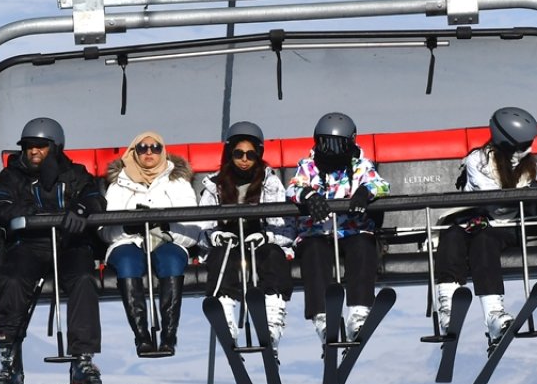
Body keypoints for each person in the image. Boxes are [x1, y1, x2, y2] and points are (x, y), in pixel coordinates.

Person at [0, 117, 106, 384]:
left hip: (70, 245)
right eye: (29, 147)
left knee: (82, 279)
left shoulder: (76, 174)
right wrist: (30, 215)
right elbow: (2, 204)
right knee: (15, 280)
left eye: (40, 146)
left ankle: (82, 360)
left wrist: (79, 211)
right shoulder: (13, 176)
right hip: (29, 245)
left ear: (55, 147)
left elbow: (94, 198)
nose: (33, 152)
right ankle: (9, 363)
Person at [433, 106, 537, 345]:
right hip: (472, 220)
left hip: (504, 227)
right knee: (450, 237)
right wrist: (525, 194)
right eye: (524, 145)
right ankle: (447, 310)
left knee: (485, 240)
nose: (529, 150)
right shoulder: (478, 162)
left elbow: (505, 213)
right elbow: (496, 204)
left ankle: (494, 315)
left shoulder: (529, 167)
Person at [285, 112, 390, 345]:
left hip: (352, 230)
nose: (331, 151)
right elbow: (292, 189)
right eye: (326, 144)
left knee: (364, 246)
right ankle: (323, 317)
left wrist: (365, 192)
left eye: (338, 145)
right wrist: (308, 195)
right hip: (318, 232)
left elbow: (381, 185)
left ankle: (359, 312)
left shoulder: (360, 165)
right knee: (313, 252)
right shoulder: (308, 166)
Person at [99, 131, 202, 356]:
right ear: (134, 152)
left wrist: (166, 227)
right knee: (126, 261)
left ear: (163, 151)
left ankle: (169, 335)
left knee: (171, 260)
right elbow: (105, 232)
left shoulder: (178, 182)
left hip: (167, 240)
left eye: (155, 148)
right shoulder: (119, 184)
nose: (149, 152)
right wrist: (127, 227)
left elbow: (194, 229)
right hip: (129, 241)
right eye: (142, 148)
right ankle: (142, 336)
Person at [198, 121, 295, 349]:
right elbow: (202, 226)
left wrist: (268, 237)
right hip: (228, 243)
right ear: (230, 154)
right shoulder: (215, 185)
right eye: (239, 153)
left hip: (259, 242)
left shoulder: (269, 183)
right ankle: (226, 316)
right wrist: (215, 237)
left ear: (259, 155)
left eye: (250, 154)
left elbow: (285, 227)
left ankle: (271, 318)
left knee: (273, 255)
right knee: (222, 255)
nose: (244, 159)